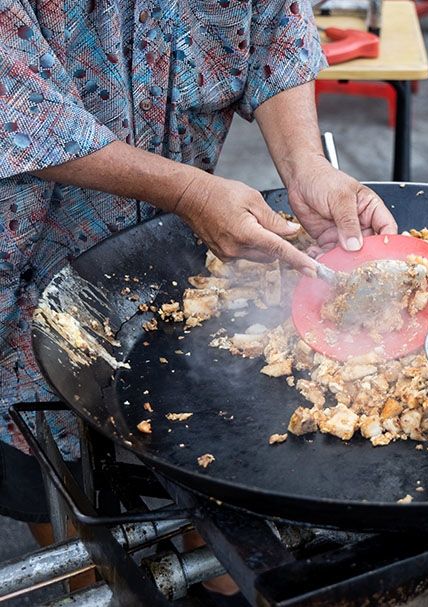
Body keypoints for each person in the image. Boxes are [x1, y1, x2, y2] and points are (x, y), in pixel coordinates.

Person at [0, 0, 397, 598]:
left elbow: (275, 33)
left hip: (170, 259)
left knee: (198, 451)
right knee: (61, 482)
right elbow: (18, 106)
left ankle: (218, 584)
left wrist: (307, 166)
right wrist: (187, 190)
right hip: (24, 267)